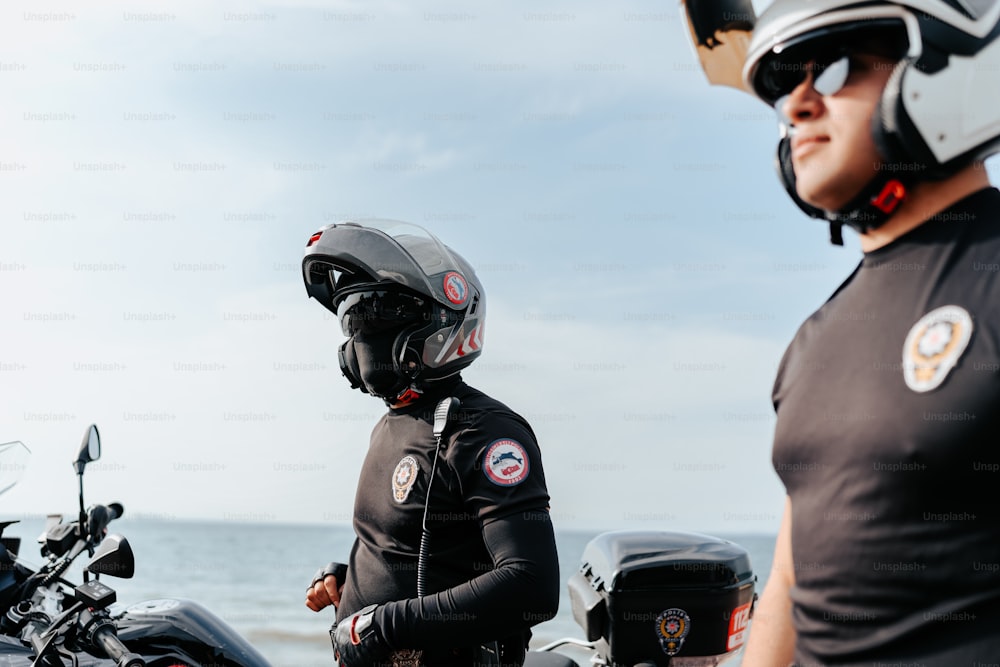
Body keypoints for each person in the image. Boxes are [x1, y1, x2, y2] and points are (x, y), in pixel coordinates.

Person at [681, 0, 1000, 665]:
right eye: (783, 87)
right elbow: (793, 586)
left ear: (940, 65)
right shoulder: (813, 341)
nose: (797, 105)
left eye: (830, 70)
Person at [300, 219, 559, 667]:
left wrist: (383, 624)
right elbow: (416, 550)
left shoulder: (484, 431)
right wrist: (354, 579)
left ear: (440, 324)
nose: (360, 340)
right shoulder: (391, 426)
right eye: (352, 322)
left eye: (373, 316)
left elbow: (531, 585)